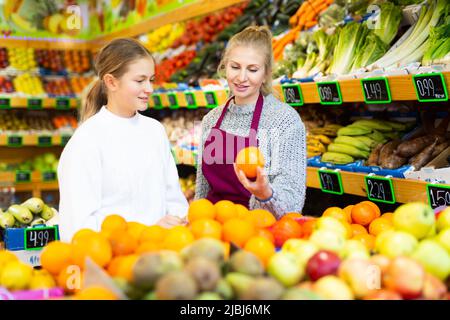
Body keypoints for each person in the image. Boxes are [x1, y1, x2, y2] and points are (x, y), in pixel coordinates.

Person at [58, 38, 188, 241]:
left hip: (161, 256)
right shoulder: (87, 140)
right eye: (140, 80)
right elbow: (79, 225)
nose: (150, 88)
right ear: (111, 82)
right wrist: (146, 232)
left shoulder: (155, 131)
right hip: (112, 262)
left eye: (151, 80)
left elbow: (174, 199)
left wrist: (178, 221)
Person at [195, 26, 307, 219]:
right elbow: (202, 190)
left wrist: (265, 195)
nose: (241, 77)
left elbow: (292, 203)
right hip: (212, 227)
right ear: (224, 66)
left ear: (265, 74)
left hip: (260, 229)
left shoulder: (285, 121)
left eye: (252, 69)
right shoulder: (211, 120)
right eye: (235, 67)